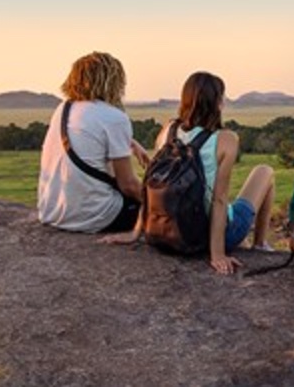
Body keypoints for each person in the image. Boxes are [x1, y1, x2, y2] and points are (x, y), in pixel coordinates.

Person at [101, 72, 276, 275]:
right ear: (217, 102)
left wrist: (135, 232)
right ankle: (261, 244)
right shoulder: (227, 139)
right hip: (204, 237)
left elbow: (153, 184)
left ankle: (257, 243)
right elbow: (218, 201)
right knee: (265, 171)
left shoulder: (168, 130)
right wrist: (217, 255)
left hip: (165, 233)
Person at [38, 51, 149, 233]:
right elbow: (128, 185)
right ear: (112, 81)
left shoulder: (63, 109)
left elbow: (90, 134)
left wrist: (131, 142)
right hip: (95, 216)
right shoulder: (114, 117)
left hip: (52, 212)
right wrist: (160, 204)